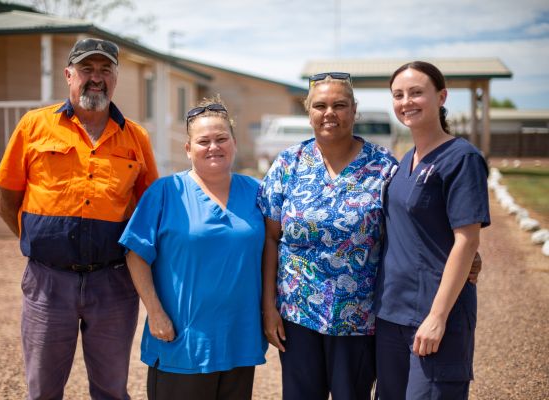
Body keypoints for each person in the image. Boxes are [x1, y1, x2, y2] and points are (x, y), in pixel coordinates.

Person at [0, 38, 159, 399]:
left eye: (104, 70)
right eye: (87, 69)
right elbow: (7, 202)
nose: (95, 78)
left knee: (112, 390)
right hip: (48, 284)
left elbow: (147, 212)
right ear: (69, 75)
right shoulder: (33, 126)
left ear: (115, 77)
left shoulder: (136, 138)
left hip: (113, 285)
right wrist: (42, 245)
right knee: (43, 390)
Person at [118, 96, 268, 400]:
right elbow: (136, 255)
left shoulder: (255, 192)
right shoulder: (165, 192)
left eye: (221, 138)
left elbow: (272, 252)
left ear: (234, 143)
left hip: (238, 339)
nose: (214, 147)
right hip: (182, 343)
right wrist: (155, 313)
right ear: (188, 149)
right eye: (203, 141)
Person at [258, 72, 396, 400]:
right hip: (297, 313)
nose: (329, 112)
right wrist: (269, 306)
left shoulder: (383, 168)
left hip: (358, 317)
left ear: (354, 111)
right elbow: (270, 238)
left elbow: (405, 233)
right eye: (320, 105)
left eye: (340, 105)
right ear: (309, 112)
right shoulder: (288, 165)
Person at [374, 61, 491, 399]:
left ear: (441, 96)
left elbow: (467, 240)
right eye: (398, 95)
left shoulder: (461, 158)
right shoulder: (405, 159)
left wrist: (437, 317)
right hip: (390, 313)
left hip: (435, 312)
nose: (406, 101)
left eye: (416, 92)